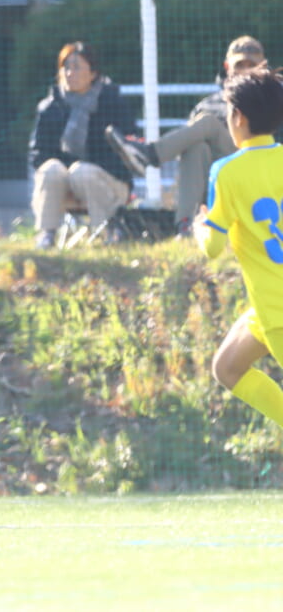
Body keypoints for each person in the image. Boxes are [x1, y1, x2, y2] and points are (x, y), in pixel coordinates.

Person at [193, 65, 283, 430]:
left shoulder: (227, 171)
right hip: (266, 308)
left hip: (278, 310)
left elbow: (212, 247)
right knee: (228, 367)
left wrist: (200, 226)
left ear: (238, 117)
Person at [105, 35, 267, 236]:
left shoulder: (272, 98)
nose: (245, 71)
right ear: (227, 67)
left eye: (252, 65)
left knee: (208, 122)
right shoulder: (208, 103)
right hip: (215, 177)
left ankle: (150, 155)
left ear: (263, 67)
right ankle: (185, 225)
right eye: (240, 65)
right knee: (196, 146)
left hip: (256, 172)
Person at [28, 41, 137, 249]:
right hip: (65, 183)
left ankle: (108, 231)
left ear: (93, 73)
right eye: (66, 67)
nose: (70, 73)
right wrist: (65, 169)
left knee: (82, 172)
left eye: (77, 67)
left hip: (109, 183)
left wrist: (82, 166)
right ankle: (47, 235)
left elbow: (127, 151)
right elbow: (38, 154)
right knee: (51, 169)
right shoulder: (50, 107)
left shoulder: (112, 103)